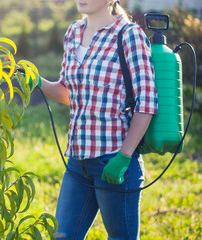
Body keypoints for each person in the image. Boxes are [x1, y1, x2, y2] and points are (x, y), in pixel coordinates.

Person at [34, 0, 158, 239]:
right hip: (77, 161)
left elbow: (147, 103)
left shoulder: (129, 35)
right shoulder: (73, 32)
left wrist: (124, 156)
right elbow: (69, 92)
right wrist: (38, 81)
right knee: (62, 236)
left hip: (113, 160)